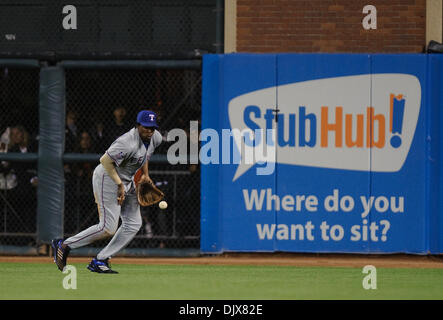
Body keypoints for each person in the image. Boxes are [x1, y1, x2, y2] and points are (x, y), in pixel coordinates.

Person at [52, 110, 163, 273]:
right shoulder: (127, 142)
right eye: (146, 127)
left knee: (133, 224)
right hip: (107, 178)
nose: (150, 131)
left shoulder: (155, 137)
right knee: (107, 228)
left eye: (152, 127)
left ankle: (101, 259)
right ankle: (64, 245)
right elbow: (105, 161)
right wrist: (119, 185)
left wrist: (145, 175)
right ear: (138, 125)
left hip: (127, 179)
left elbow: (145, 156)